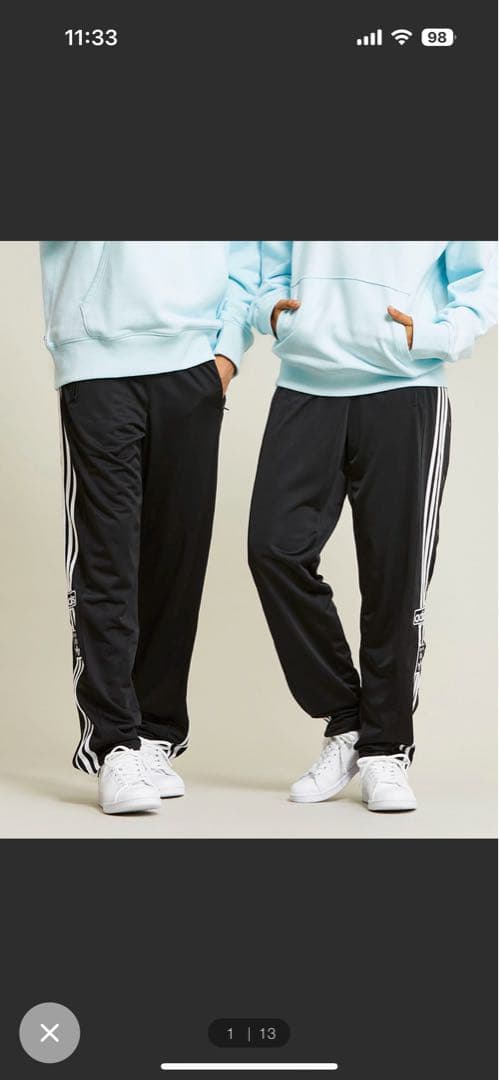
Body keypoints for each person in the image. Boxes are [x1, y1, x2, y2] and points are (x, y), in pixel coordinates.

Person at [249, 241, 497, 812]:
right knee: (274, 549)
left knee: (395, 576)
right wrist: (272, 312)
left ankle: (385, 748)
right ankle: (348, 718)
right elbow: (265, 256)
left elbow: (481, 276)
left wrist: (434, 335)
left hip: (405, 385)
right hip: (307, 381)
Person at [40, 241, 260, 814]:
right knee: (107, 558)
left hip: (194, 364)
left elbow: (247, 249)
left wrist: (228, 349)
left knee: (176, 560)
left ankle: (154, 735)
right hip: (98, 360)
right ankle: (114, 743)